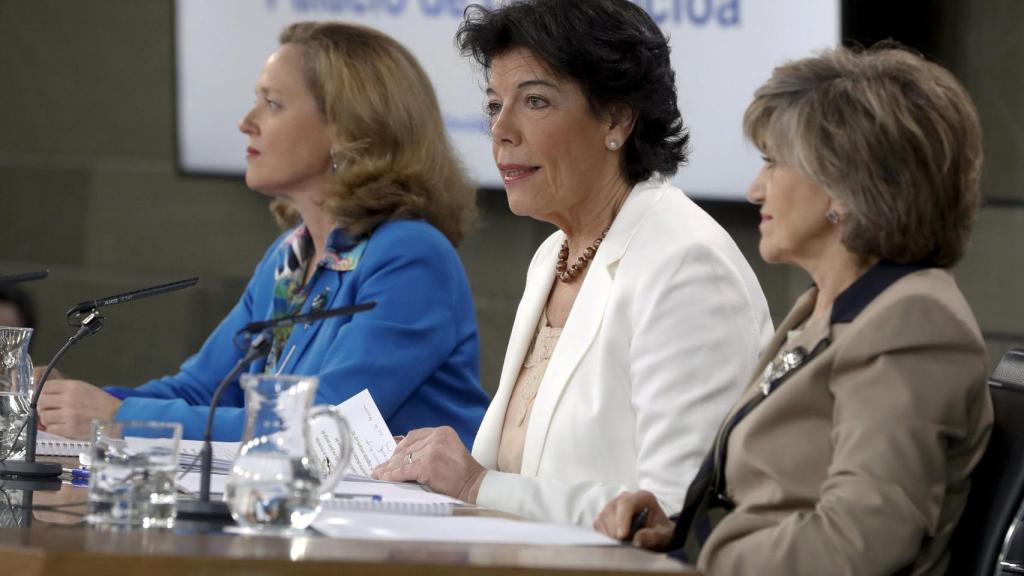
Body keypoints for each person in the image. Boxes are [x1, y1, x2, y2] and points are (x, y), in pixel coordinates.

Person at [594, 46, 993, 576]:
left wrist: (702, 561)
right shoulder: (825, 307)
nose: (755, 190)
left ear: (845, 186)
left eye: (773, 162)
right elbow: (778, 500)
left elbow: (862, 540)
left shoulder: (912, 322)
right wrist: (676, 532)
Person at [372, 0, 773, 526]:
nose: (501, 130)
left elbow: (672, 514)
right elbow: (526, 472)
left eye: (535, 101)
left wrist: (475, 484)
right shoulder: (553, 256)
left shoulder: (686, 265)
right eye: (495, 105)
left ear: (617, 119)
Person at [35, 22, 490, 445]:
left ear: (347, 128)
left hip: (403, 505)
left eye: (272, 104)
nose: (246, 122)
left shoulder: (411, 256)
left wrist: (120, 417)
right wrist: (73, 403)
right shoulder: (291, 256)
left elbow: (324, 423)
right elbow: (202, 390)